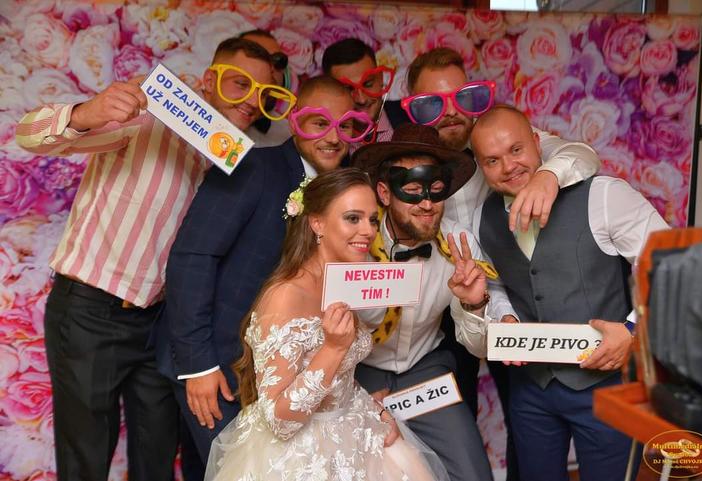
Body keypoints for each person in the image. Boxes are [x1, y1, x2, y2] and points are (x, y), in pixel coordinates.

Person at [14, 36, 279, 481]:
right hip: (91, 312)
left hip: (161, 325)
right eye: (240, 84)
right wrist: (84, 114)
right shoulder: (149, 114)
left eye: (264, 92)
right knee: (85, 461)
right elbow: (29, 135)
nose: (252, 100)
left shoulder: (242, 160)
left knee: (157, 460)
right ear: (209, 80)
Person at [156, 76, 374, 470]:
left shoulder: (348, 187)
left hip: (289, 376)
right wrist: (198, 365)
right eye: (319, 122)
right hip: (220, 365)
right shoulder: (254, 166)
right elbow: (193, 258)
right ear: (295, 120)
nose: (333, 137)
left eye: (346, 126)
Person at [403, 47, 602, 478]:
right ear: (414, 108)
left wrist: (548, 175)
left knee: (525, 416)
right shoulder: (405, 156)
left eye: (460, 97)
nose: (450, 112)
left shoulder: (500, 140)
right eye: (432, 103)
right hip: (440, 311)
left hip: (511, 300)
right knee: (456, 421)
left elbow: (581, 154)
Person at [205, 168, 452, 481]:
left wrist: (376, 411)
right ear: (317, 223)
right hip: (300, 457)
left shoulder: (342, 280)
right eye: (353, 218)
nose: (368, 231)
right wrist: (333, 349)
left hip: (355, 429)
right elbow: (280, 420)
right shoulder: (285, 297)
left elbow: (341, 377)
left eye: (372, 219)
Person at [470, 105, 669, 481]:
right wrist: (503, 316)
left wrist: (632, 331)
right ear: (481, 166)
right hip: (531, 389)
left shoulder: (603, 196)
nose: (508, 166)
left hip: (608, 386)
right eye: (492, 160)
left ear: (537, 141)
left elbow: (671, 265)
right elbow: (496, 284)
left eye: (516, 150)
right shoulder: (483, 218)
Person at [351, 123, 514, 481]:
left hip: (425, 369)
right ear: (384, 193)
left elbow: (480, 347)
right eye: (411, 191)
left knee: (473, 473)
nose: (426, 204)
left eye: (436, 191)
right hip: (358, 372)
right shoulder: (355, 242)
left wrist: (474, 305)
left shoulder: (460, 244)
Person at [322, 38, 409, 150]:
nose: (361, 99)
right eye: (349, 89)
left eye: (368, 84)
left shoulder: (409, 116)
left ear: (381, 78)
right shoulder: (323, 141)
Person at [240, 29, 294, 147]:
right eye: (257, 57)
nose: (269, 68)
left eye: (278, 60)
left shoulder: (290, 137)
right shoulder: (199, 113)